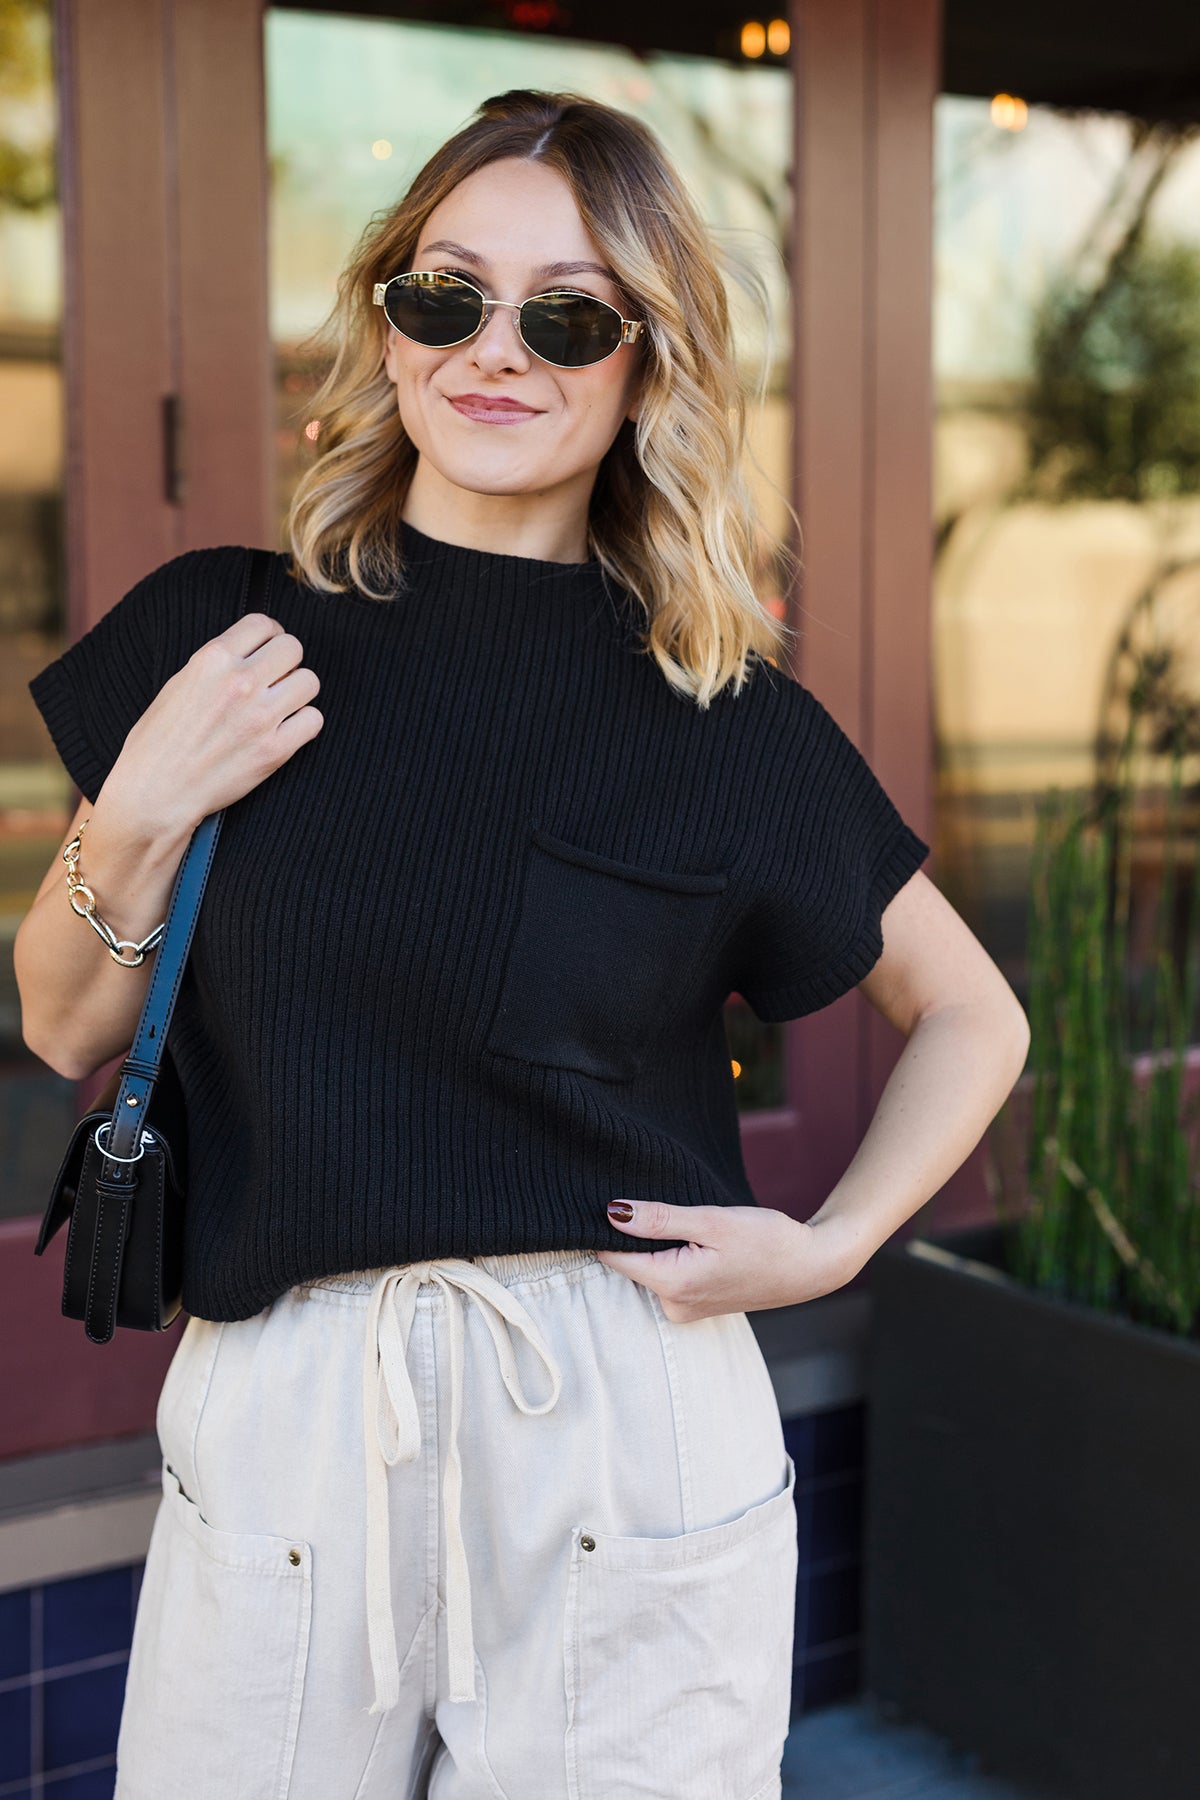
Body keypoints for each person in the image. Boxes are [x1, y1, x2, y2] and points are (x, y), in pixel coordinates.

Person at [15, 87, 1030, 1800]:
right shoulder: (225, 633)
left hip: (617, 1417)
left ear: (647, 364)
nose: (494, 349)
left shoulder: (721, 718)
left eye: (568, 315)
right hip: (290, 1412)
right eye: (447, 294)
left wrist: (830, 1245)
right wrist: (140, 807)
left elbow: (973, 1014)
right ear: (389, 324)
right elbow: (60, 1027)